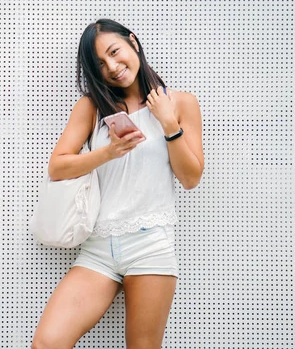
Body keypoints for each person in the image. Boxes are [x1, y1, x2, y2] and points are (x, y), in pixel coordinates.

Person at [31, 19, 204, 349]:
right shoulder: (92, 107)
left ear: (133, 43)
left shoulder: (181, 103)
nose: (112, 66)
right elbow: (58, 167)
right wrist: (109, 152)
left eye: (114, 52)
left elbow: (191, 178)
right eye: (100, 64)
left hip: (150, 244)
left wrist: (168, 123)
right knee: (47, 343)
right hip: (99, 247)